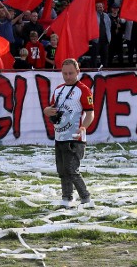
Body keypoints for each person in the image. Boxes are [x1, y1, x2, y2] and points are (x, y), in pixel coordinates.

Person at [42, 58, 95, 208]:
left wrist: (83, 127)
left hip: (75, 137)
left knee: (72, 169)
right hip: (60, 135)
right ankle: (67, 198)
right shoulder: (59, 89)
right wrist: (46, 111)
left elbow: (90, 113)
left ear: (78, 72)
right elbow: (52, 109)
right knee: (62, 170)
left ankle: (86, 198)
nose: (68, 76)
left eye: (71, 73)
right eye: (65, 73)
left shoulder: (83, 90)